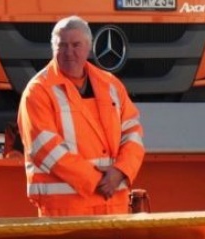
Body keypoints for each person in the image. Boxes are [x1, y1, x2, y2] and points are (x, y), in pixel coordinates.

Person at [17, 15, 144, 216]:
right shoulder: (38, 91)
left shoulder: (111, 85)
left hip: (114, 208)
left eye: (76, 45)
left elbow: (133, 133)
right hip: (66, 212)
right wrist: (99, 181)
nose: (69, 52)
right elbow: (46, 149)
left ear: (88, 47)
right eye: (62, 45)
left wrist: (121, 171)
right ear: (53, 49)